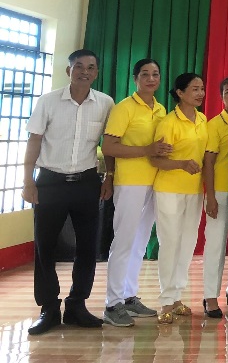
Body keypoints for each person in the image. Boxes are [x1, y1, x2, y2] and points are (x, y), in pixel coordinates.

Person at [22, 49, 114, 336]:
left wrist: (109, 177)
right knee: (45, 246)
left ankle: (76, 305)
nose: (84, 72)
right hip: (50, 182)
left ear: (96, 72)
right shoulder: (48, 101)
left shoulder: (105, 103)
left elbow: (109, 145)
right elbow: (34, 140)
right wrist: (28, 181)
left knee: (88, 246)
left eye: (90, 67)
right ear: (68, 71)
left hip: (87, 182)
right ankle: (49, 308)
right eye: (79, 67)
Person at [100, 58, 168, 327]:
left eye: (155, 74)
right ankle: (112, 303)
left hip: (155, 181)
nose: (151, 79)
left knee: (140, 242)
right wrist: (146, 150)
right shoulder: (124, 108)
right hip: (130, 182)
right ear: (135, 78)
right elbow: (109, 147)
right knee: (124, 240)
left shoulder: (161, 109)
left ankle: (129, 296)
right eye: (145, 74)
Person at [150, 72, 208, 324]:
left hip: (194, 191)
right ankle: (165, 301)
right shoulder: (168, 122)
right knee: (170, 243)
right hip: (169, 190)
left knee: (187, 244)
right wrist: (181, 164)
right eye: (194, 89)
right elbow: (156, 160)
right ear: (180, 93)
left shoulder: (202, 119)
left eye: (202, 88)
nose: (200, 93)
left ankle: (176, 297)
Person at [201, 76, 228, 318]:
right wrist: (210, 195)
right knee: (216, 244)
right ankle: (210, 297)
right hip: (220, 190)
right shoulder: (214, 125)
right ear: (221, 97)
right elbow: (208, 162)